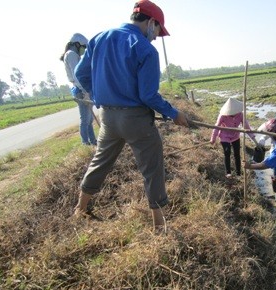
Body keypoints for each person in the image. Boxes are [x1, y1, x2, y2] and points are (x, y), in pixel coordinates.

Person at [73, 0, 189, 228]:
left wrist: (97, 95)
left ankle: (80, 207)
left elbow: (80, 73)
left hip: (108, 117)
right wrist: (174, 113)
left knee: (100, 161)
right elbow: (148, 95)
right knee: (152, 167)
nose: (155, 37)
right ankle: (159, 224)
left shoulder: (99, 39)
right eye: (157, 31)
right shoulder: (145, 49)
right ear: (151, 22)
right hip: (135, 120)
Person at [60, 33, 97, 146]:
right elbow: (77, 75)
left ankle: (93, 141)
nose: (84, 50)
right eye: (83, 47)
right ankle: (85, 142)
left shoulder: (74, 55)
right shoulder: (71, 54)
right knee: (85, 119)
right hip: (80, 90)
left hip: (82, 89)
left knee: (89, 119)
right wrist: (85, 91)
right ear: (77, 44)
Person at [210, 98, 255, 178]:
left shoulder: (240, 114)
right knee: (227, 152)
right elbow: (216, 127)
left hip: (235, 136)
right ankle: (228, 172)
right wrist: (213, 138)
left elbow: (246, 126)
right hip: (224, 136)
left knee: (237, 154)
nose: (233, 114)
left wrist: (253, 138)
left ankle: (238, 173)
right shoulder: (222, 116)